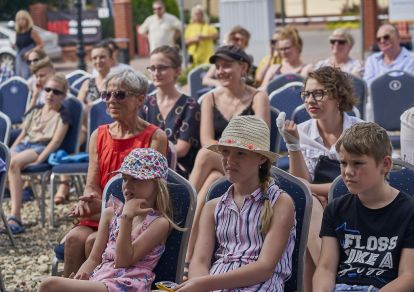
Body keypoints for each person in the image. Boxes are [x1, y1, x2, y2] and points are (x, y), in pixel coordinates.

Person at [63, 69, 168, 277]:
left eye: (119, 94)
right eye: (106, 95)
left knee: (93, 241)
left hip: (135, 215)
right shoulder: (98, 135)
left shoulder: (155, 137)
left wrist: (105, 210)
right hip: (101, 212)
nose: (111, 100)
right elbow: (92, 184)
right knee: (74, 239)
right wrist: (88, 201)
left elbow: (150, 191)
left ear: (140, 99)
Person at [175, 115, 296, 292]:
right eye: (225, 152)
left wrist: (203, 283)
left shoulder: (280, 202)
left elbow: (265, 268)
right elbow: (199, 261)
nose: (229, 160)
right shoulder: (213, 207)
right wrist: (201, 284)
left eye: (240, 153)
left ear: (261, 159)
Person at [39, 148, 181, 292]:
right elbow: (94, 259)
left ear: (157, 184)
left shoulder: (159, 223)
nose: (127, 186)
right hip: (102, 279)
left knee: (49, 285)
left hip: (127, 284)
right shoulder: (110, 213)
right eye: (125, 179)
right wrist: (83, 275)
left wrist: (127, 218)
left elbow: (123, 261)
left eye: (136, 179)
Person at [185, 45, 270, 273]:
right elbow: (206, 139)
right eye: (218, 66)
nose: (221, 71)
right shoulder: (209, 99)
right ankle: (189, 255)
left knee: (205, 158)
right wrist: (227, 153)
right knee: (211, 179)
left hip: (249, 164)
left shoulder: (258, 97)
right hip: (220, 163)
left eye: (227, 65)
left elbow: (261, 140)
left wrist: (232, 151)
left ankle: (183, 203)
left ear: (242, 67)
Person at [277, 66, 363, 291]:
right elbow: (299, 185)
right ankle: (335, 282)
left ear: (337, 95)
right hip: (319, 204)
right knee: (309, 208)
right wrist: (293, 145)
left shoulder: (359, 130)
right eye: (306, 94)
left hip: (356, 201)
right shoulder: (302, 131)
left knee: (310, 207)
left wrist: (318, 190)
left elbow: (360, 180)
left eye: (318, 93)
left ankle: (331, 278)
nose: (310, 100)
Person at [313, 122, 414, 291]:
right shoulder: (335, 209)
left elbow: (408, 276)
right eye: (343, 163)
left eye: (358, 163)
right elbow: (325, 268)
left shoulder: (409, 211)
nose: (348, 172)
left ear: (385, 164)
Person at [6, 73, 70, 234]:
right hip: (24, 144)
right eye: (47, 90)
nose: (50, 94)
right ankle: (20, 191)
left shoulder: (63, 115)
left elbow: (55, 142)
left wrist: (39, 160)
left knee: (13, 164)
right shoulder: (36, 110)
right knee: (4, 161)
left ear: (63, 96)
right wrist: (9, 151)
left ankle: (16, 216)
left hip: (40, 147)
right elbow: (23, 133)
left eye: (56, 92)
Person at [139, 45, 200, 177]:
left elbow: (182, 149)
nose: (156, 73)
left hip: (178, 171)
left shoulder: (190, 105)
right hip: (145, 168)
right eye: (152, 68)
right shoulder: (145, 104)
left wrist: (150, 158)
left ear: (177, 71)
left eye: (162, 68)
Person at [364, 24, 414, 121]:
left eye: (386, 37)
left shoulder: (411, 59)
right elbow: (368, 86)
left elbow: (409, 87)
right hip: (379, 102)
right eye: (379, 39)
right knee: (369, 106)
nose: (382, 41)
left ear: (398, 38)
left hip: (406, 102)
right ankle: (370, 134)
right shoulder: (372, 60)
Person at [260, 26, 312, 90]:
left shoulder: (307, 69)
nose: (283, 52)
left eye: (287, 48)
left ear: (298, 46)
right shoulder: (274, 69)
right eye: (281, 49)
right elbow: (261, 91)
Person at [14, 10, 43, 79]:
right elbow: (18, 45)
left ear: (27, 20)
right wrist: (14, 46)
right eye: (19, 19)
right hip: (20, 58)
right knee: (19, 76)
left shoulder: (32, 32)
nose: (21, 21)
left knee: (28, 77)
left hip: (30, 59)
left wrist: (30, 52)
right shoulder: (18, 32)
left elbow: (40, 44)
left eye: (23, 19)